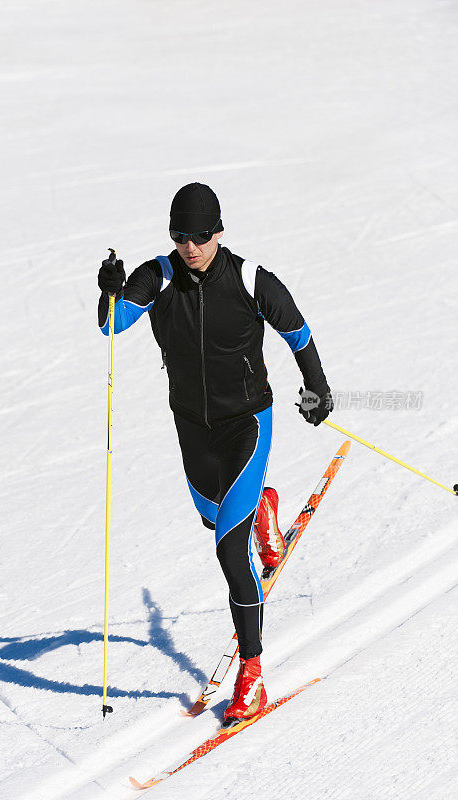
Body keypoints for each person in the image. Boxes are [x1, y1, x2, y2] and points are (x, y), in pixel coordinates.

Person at [97, 183, 333, 724]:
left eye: (200, 236)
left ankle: (252, 673)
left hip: (247, 423)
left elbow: (297, 331)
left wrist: (316, 386)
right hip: (193, 428)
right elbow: (112, 324)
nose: (190, 247)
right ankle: (262, 507)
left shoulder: (250, 280)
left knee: (230, 553)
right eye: (180, 236)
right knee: (213, 519)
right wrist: (108, 293)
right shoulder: (157, 277)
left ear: (218, 233)